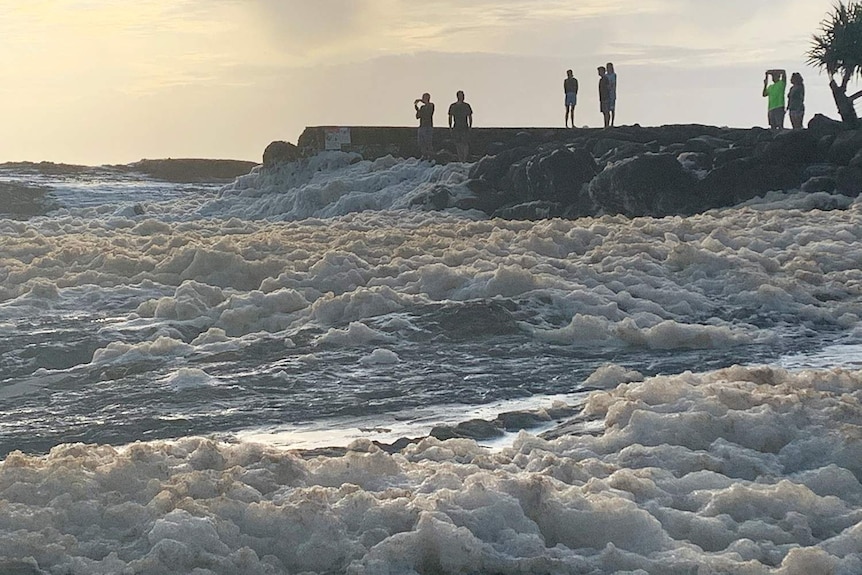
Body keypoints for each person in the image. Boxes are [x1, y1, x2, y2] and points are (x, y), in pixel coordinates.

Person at [448, 90, 473, 162]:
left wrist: (470, 126)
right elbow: (450, 117)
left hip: (464, 127)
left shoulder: (466, 106)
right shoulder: (453, 106)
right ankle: (461, 158)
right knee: (458, 144)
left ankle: (464, 159)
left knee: (464, 143)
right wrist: (450, 126)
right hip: (456, 127)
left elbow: (470, 116)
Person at [414, 93, 435, 160]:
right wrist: (417, 108)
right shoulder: (422, 107)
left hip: (428, 126)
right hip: (422, 126)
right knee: (421, 142)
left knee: (428, 142)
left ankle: (430, 156)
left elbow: (429, 113)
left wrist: (420, 100)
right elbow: (418, 116)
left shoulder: (431, 105)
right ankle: (424, 155)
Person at [605, 62, 617, 127]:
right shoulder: (606, 76)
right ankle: (607, 123)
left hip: (612, 93)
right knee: (607, 109)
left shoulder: (614, 75)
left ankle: (612, 123)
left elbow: (613, 83)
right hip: (607, 93)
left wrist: (610, 87)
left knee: (612, 109)